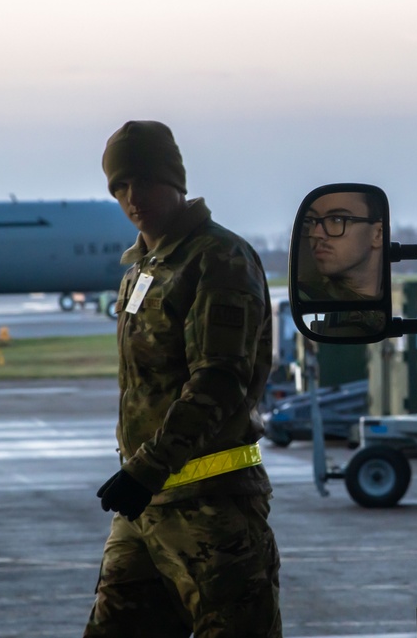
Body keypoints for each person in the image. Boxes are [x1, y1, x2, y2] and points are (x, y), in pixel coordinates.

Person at [84, 120, 281, 638]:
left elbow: (219, 380)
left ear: (177, 182)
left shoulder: (219, 259)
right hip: (145, 505)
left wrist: (146, 469)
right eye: (120, 187)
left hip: (211, 507)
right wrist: (140, 477)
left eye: (145, 181)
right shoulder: (141, 268)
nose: (132, 197)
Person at [296, 190, 386, 336]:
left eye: (337, 219)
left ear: (378, 234)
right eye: (311, 221)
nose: (316, 233)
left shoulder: (377, 312)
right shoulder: (307, 296)